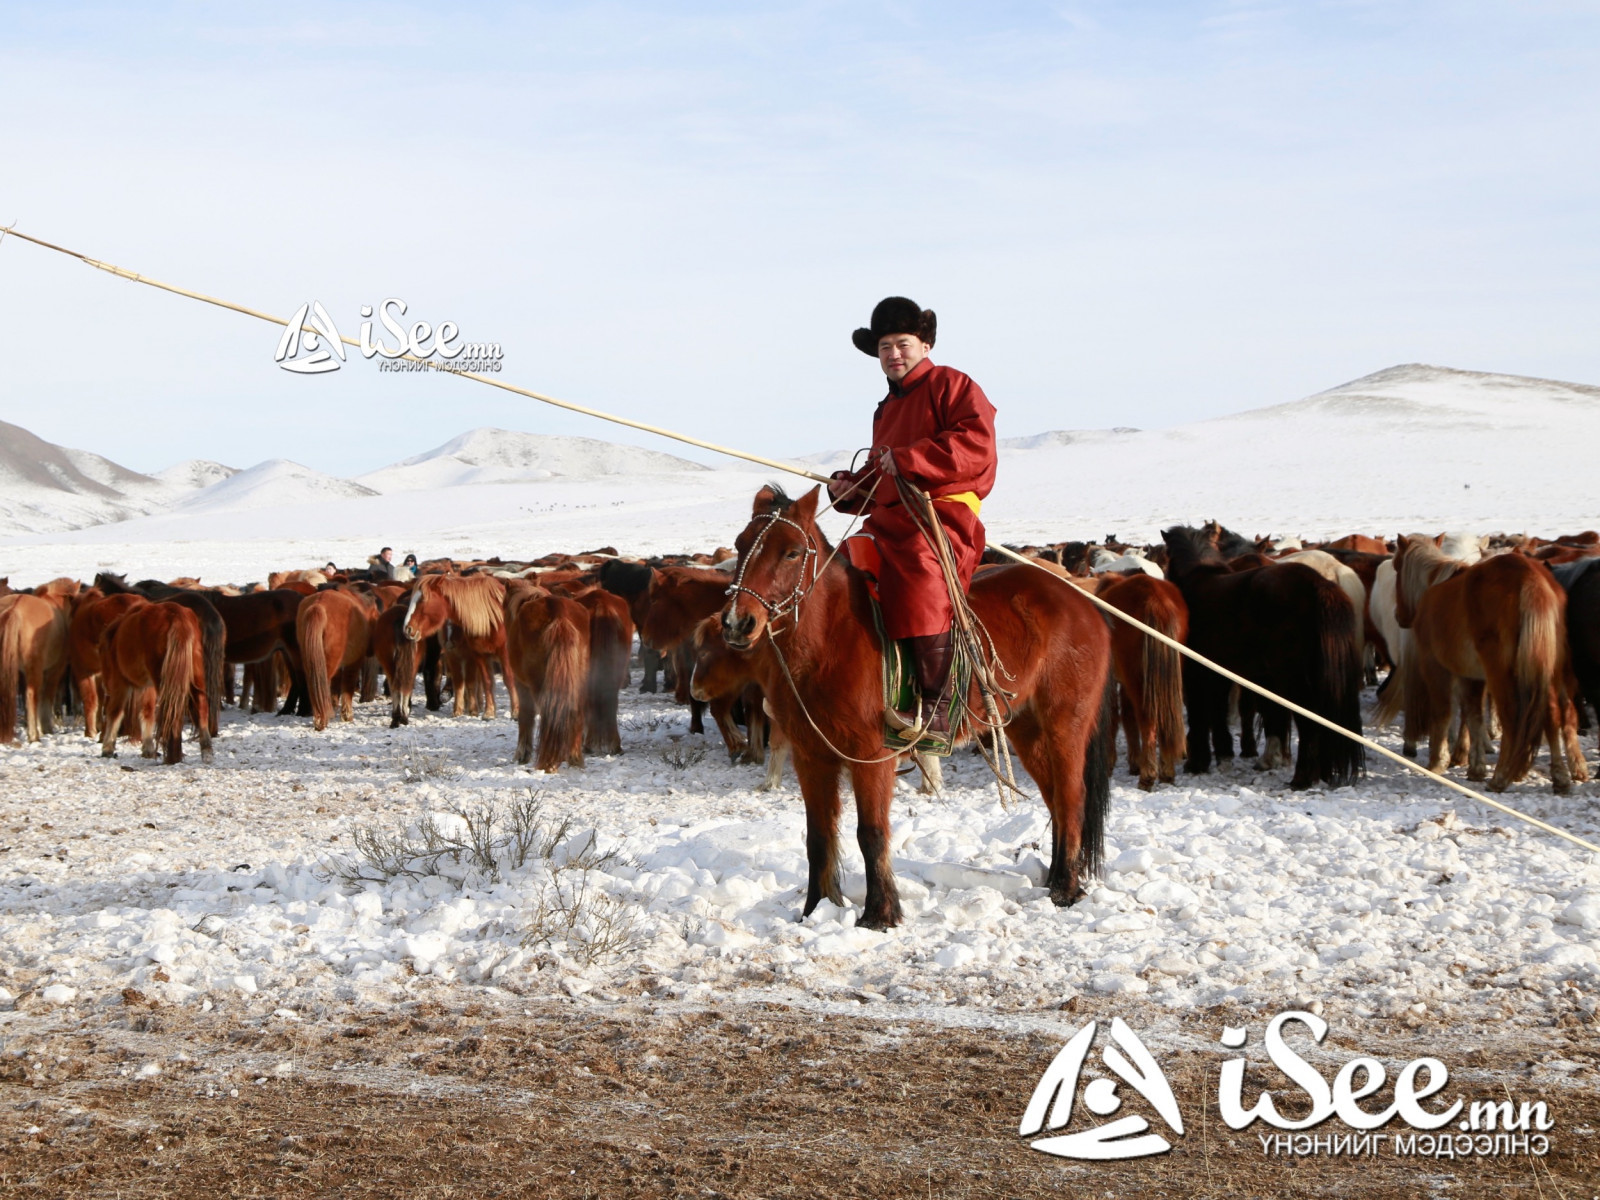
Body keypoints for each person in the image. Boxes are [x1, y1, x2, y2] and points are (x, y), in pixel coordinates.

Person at [827, 296, 997, 736]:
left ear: (924, 343)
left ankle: (936, 707)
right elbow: (879, 472)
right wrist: (848, 488)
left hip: (939, 515)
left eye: (902, 343)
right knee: (843, 567)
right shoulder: (884, 409)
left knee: (921, 574)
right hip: (889, 519)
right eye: (885, 347)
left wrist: (910, 460)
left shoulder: (953, 386)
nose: (894, 354)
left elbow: (976, 445)